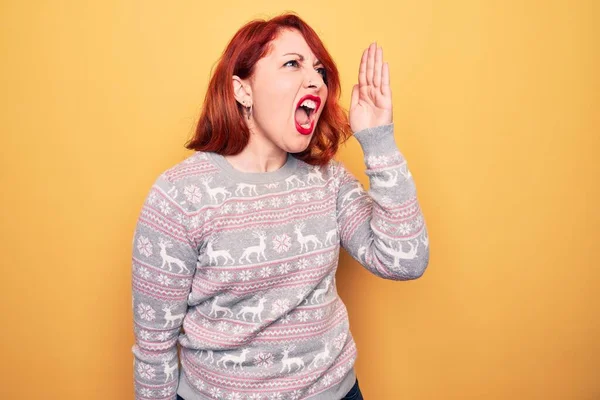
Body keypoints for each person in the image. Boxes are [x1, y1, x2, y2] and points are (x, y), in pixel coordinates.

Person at [131, 12, 429, 400]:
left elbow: (404, 260)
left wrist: (377, 140)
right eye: (292, 63)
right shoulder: (179, 196)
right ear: (243, 91)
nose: (315, 81)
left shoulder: (329, 181)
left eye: (320, 71)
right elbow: (153, 351)